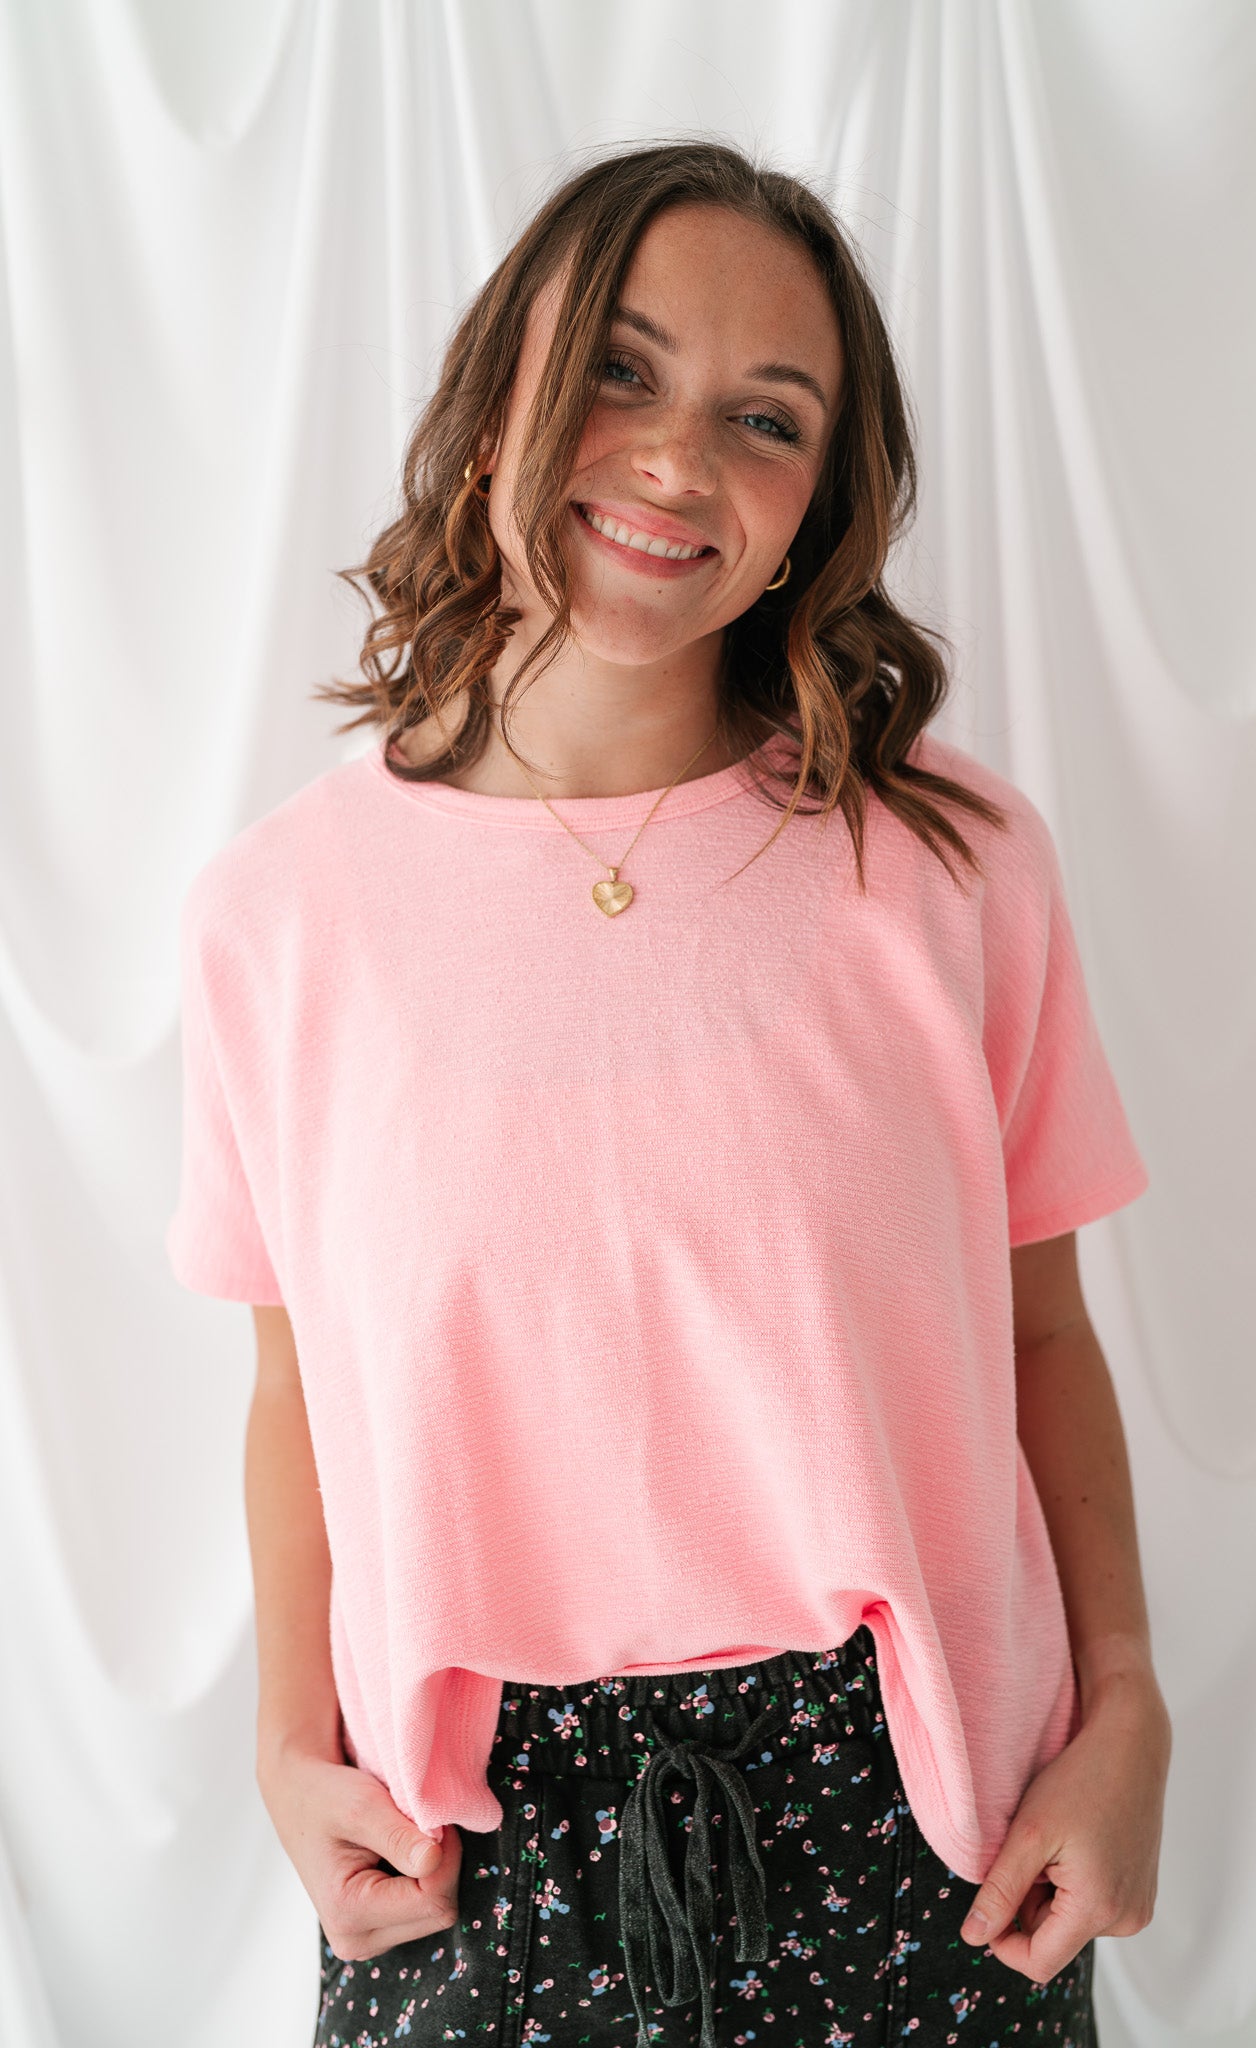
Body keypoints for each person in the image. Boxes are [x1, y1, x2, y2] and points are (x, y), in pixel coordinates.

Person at [167, 140, 1171, 2048]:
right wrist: (291, 1744)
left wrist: (1126, 1710)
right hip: (460, 1856)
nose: (675, 460)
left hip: (932, 1828)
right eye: (620, 372)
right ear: (498, 405)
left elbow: (1041, 1332)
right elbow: (296, 1386)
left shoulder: (948, 869)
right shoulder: (276, 918)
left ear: (811, 514)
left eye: (763, 419)